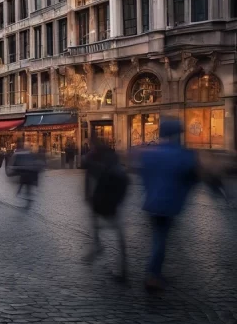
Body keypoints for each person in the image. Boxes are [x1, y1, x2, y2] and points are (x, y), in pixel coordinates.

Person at [138, 118, 198, 291]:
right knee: (160, 240)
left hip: (152, 203)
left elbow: (144, 176)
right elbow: (192, 176)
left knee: (160, 238)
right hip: (168, 204)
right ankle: (153, 275)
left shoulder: (150, 154)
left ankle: (155, 273)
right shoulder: (182, 154)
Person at [83, 137, 129, 281]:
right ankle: (121, 265)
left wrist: (88, 196)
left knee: (102, 225)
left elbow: (89, 178)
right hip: (113, 198)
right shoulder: (113, 156)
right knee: (116, 230)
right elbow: (124, 178)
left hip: (102, 197)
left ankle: (98, 248)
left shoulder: (93, 159)